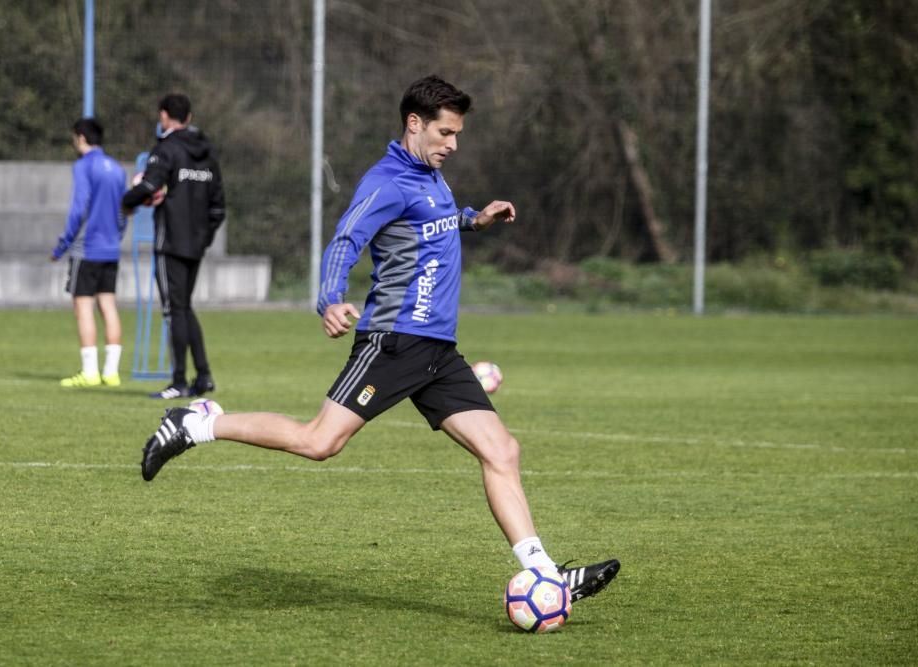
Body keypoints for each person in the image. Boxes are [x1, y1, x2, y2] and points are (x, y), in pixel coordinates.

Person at [139, 75, 619, 604]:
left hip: (437, 351)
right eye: (445, 132)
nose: (453, 145)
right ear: (414, 124)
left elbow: (431, 225)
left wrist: (474, 220)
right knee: (319, 442)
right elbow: (346, 239)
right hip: (392, 342)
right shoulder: (387, 181)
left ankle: (546, 574)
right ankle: (199, 422)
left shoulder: (432, 177)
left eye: (457, 134)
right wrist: (329, 300)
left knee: (502, 450)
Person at [122, 93, 225, 399]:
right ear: (189, 118)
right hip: (196, 243)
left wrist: (126, 202)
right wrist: (204, 237)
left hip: (171, 243)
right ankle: (203, 376)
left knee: (172, 309)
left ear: (164, 116)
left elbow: (150, 186)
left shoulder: (166, 149)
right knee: (183, 308)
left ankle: (179, 382)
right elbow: (218, 207)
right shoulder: (208, 154)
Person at [52, 117, 127, 388]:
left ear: (81, 137)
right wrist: (116, 236)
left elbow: (79, 208)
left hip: (87, 249)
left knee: (83, 306)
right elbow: (124, 209)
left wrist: (62, 245)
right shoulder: (117, 169)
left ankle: (90, 372)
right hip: (111, 249)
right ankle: (112, 372)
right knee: (108, 305)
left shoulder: (84, 166)